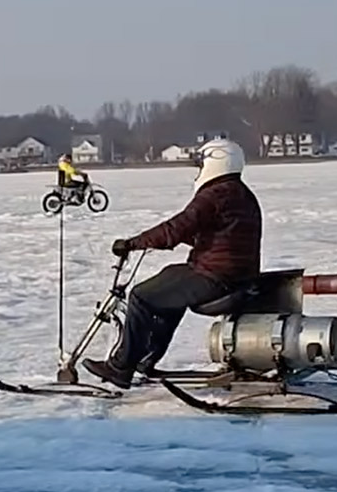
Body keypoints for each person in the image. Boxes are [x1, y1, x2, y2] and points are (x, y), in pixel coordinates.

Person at [82, 136, 262, 388]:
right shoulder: (241, 194)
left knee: (141, 296)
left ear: (217, 162)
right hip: (234, 275)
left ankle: (121, 367)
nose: (200, 169)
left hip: (215, 276)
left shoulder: (215, 195)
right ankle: (145, 359)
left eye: (202, 163)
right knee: (169, 283)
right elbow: (220, 235)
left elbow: (176, 228)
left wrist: (134, 242)